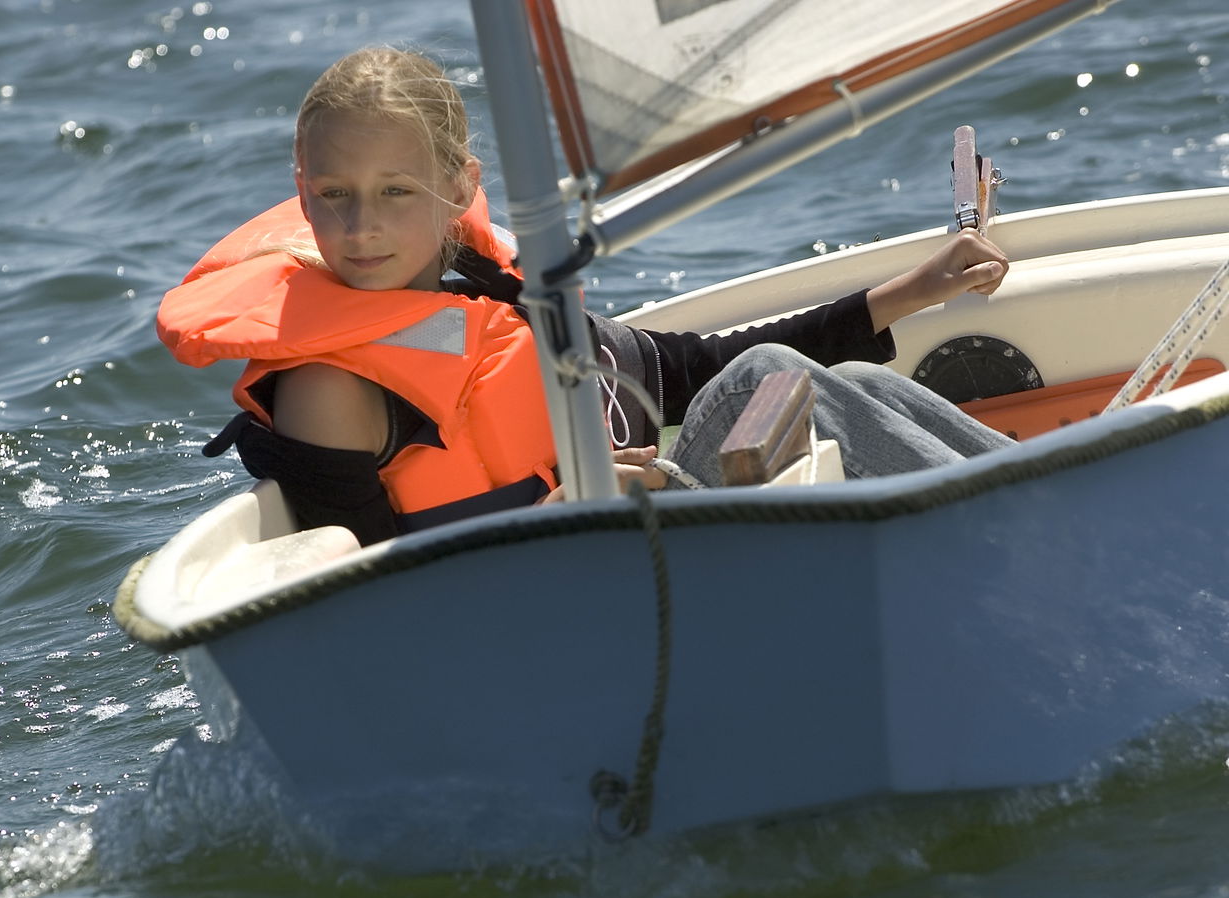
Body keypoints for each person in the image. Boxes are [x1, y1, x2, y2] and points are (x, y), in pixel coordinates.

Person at [158, 46, 1013, 546]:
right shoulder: (330, 387)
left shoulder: (495, 310)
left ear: (460, 190)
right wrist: (548, 518)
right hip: (562, 612)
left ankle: (1016, 490)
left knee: (768, 371)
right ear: (301, 194)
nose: (360, 227)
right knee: (764, 381)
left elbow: (684, 368)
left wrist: (915, 289)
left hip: (628, 562)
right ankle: (1030, 516)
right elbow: (372, 595)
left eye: (395, 193)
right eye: (334, 195)